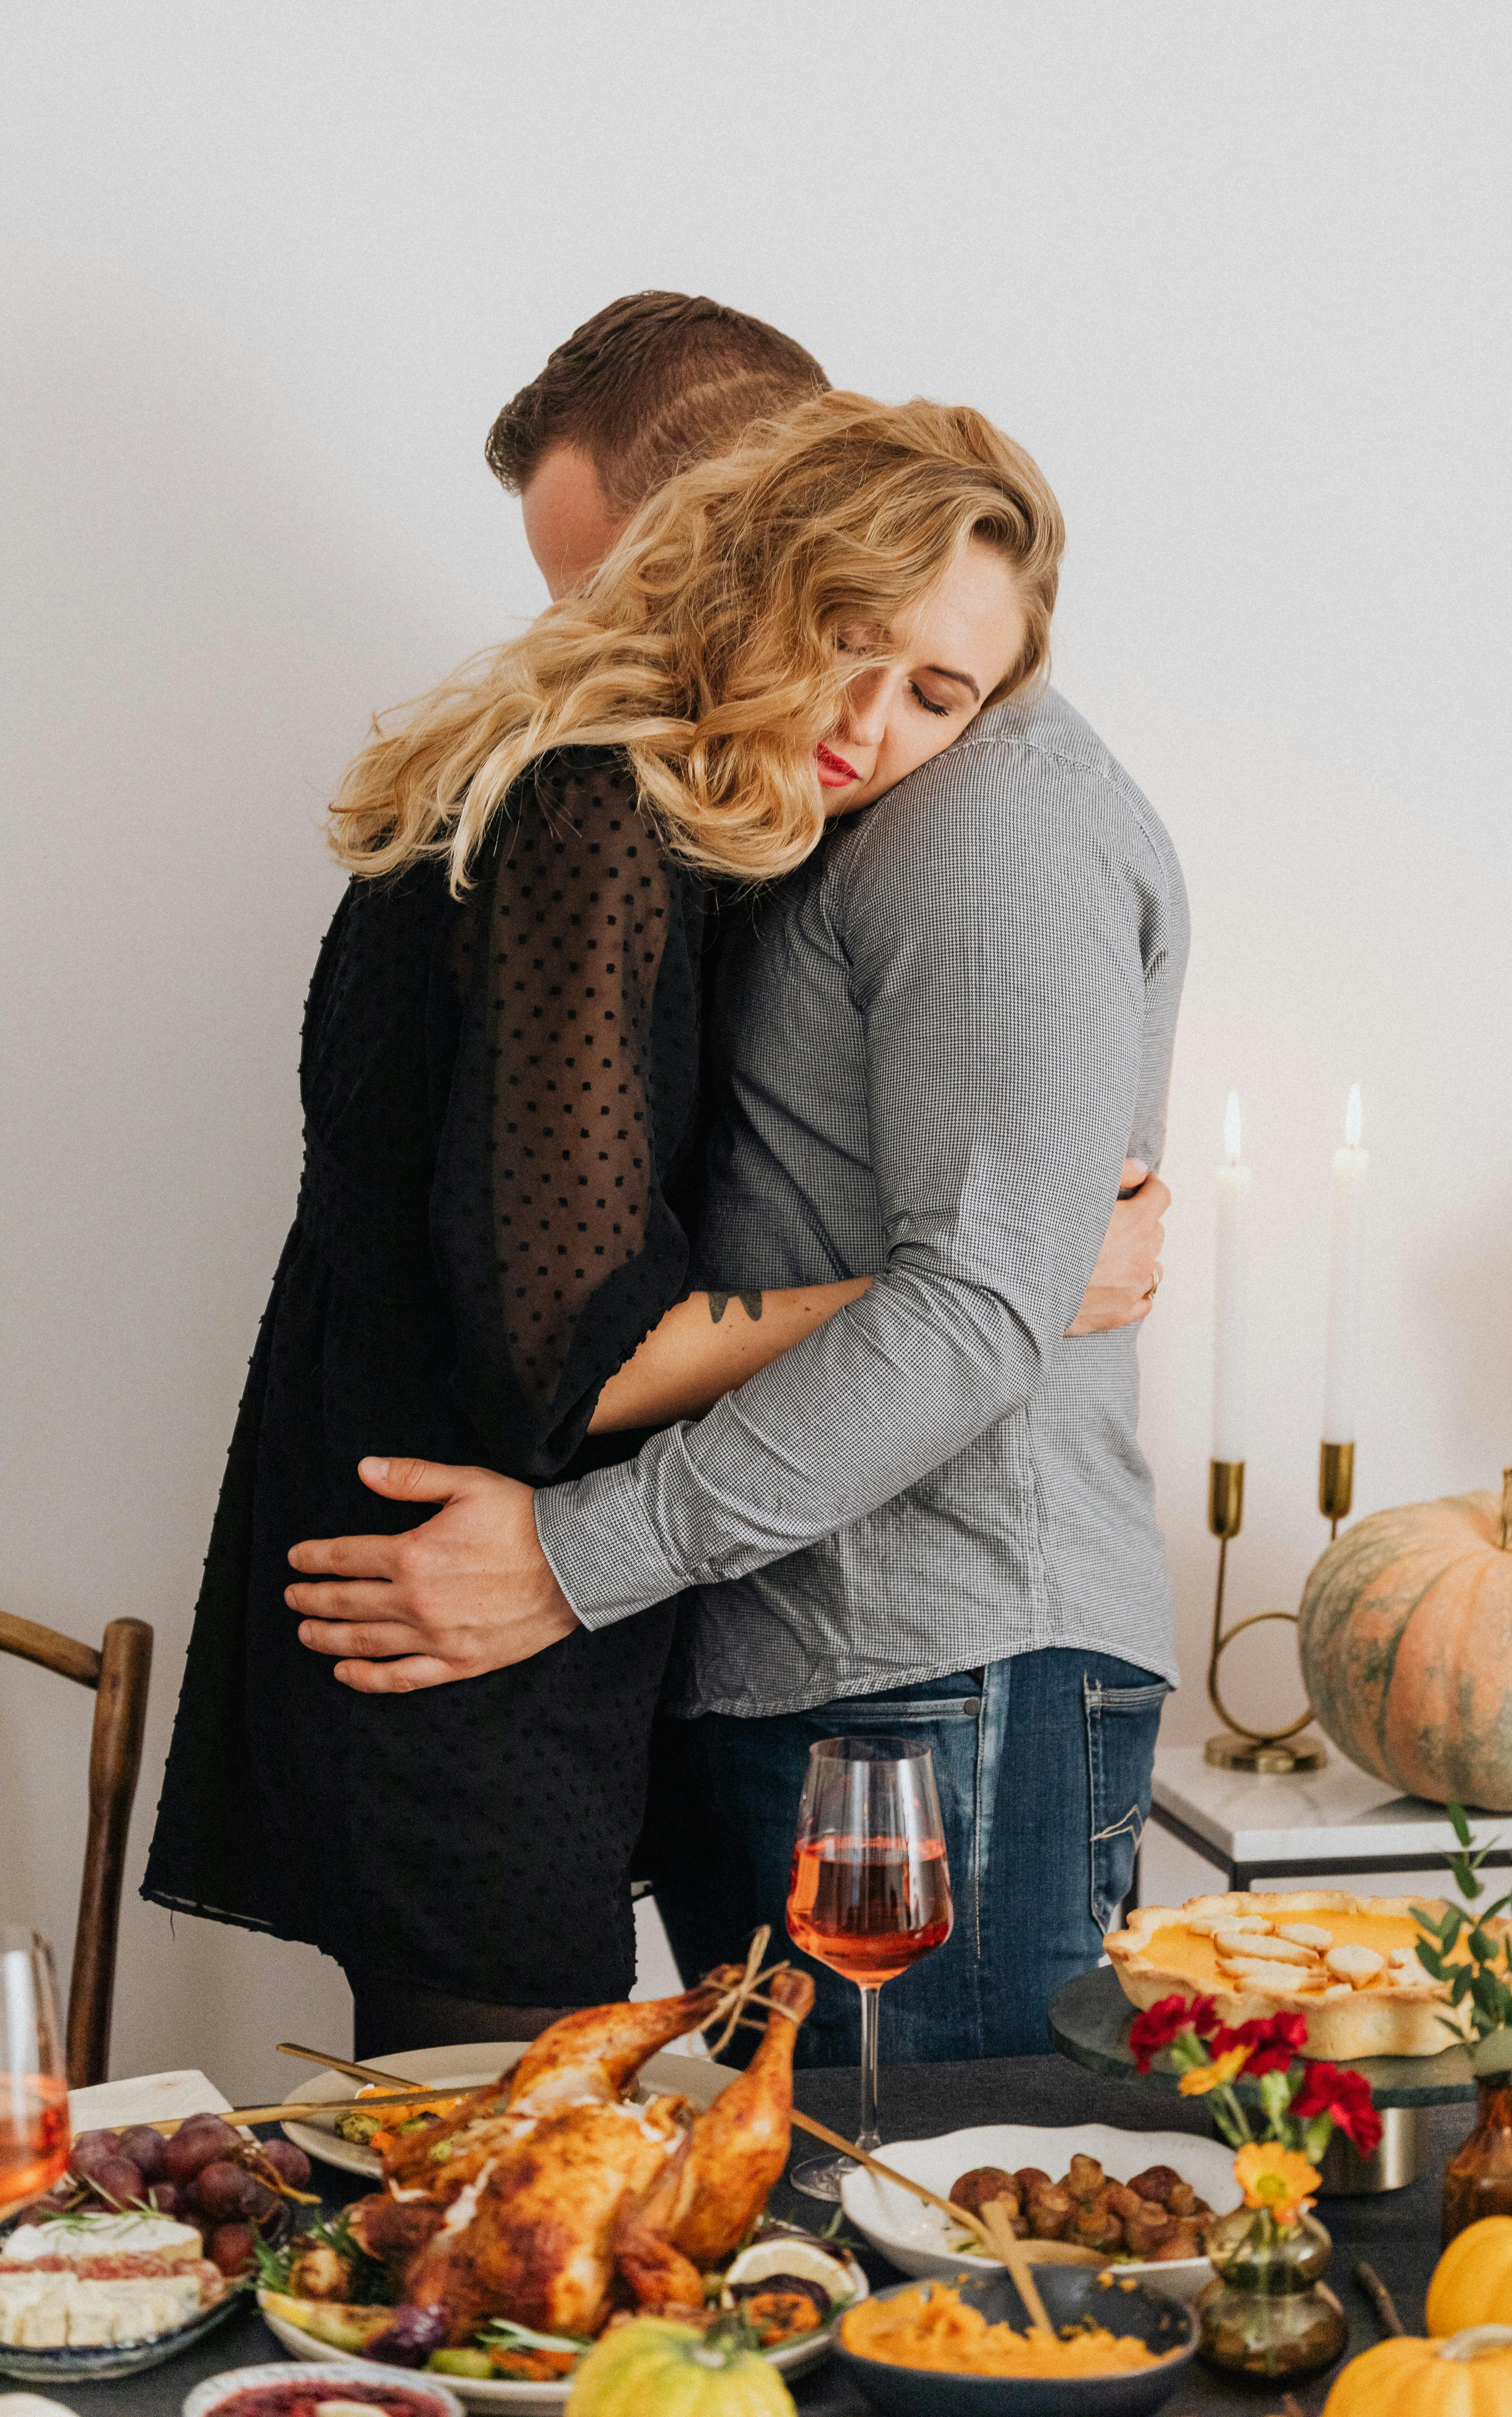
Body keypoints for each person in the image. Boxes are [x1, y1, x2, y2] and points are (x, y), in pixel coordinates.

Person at [142, 358, 1082, 2056]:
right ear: (749, 564)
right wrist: (982, 1279)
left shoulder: (616, 794)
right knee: (497, 2261)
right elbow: (571, 1356)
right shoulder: (591, 812)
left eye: (939, 696)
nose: (869, 725)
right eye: (845, 637)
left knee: (501, 2222)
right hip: (450, 1623)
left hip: (454, 1623)